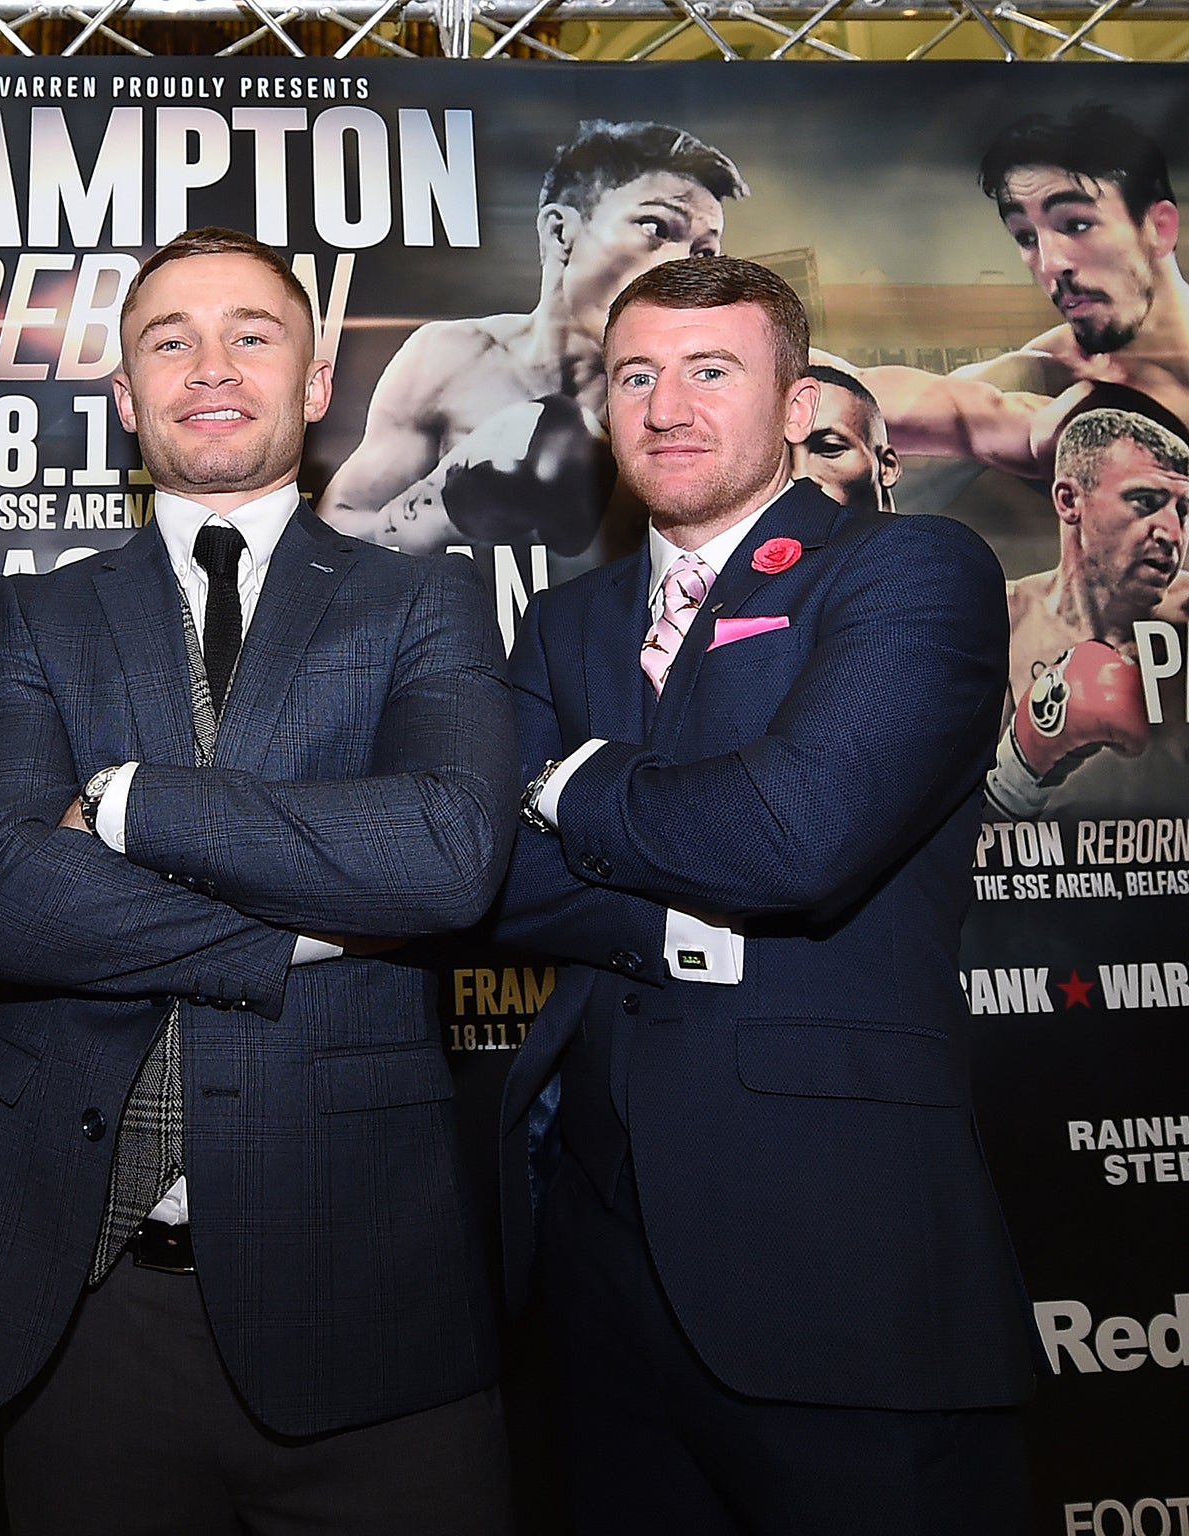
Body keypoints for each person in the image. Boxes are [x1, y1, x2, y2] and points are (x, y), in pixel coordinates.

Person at [0, 227, 515, 1535]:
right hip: (91, 1300)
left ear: (313, 383)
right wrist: (290, 935)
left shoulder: (424, 606)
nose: (211, 365)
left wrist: (126, 804)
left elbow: (448, 855)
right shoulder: (39, 617)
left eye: (253, 331)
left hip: (370, 1296)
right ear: (125, 397)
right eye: (167, 339)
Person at [494, 255, 1036, 1534]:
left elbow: (796, 836)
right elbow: (487, 879)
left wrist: (568, 787)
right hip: (593, 1266)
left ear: (796, 408)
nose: (667, 406)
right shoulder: (564, 626)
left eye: (710, 371)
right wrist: (687, 907)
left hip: (836, 1256)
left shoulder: (907, 574)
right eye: (637, 375)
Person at [319, 119, 744, 555]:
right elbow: (337, 535)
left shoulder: (700, 402)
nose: (681, 266)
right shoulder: (452, 356)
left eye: (704, 252)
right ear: (561, 233)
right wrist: (440, 506)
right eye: (655, 227)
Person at [857, 104, 1189, 479]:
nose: (1050, 264)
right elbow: (866, 399)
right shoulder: (1044, 375)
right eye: (1026, 237)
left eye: (1076, 225)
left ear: (1159, 228)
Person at [987, 406, 1187, 816]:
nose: (1172, 533)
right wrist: (1021, 770)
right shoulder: (1000, 623)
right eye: (1145, 501)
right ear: (1069, 500)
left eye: (1183, 510)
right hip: (1043, 877)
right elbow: (952, 827)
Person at [792, 364, 901, 514]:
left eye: (830, 448)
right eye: (777, 460)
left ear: (887, 467)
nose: (800, 477)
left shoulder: (935, 535)